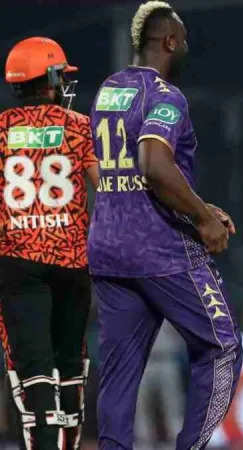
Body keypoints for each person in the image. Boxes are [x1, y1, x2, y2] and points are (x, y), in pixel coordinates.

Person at [88, 2, 242, 448]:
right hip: (160, 249)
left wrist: (200, 204)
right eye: (184, 39)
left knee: (120, 371)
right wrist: (202, 218)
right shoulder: (165, 95)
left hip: (109, 248)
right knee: (223, 347)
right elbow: (154, 166)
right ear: (170, 41)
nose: (187, 47)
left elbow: (128, 175)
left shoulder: (108, 90)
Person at [0, 36, 98, 450]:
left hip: (17, 261)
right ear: (52, 79)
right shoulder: (77, 126)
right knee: (70, 365)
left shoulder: (1, 129)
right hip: (72, 261)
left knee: (34, 370)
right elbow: (105, 188)